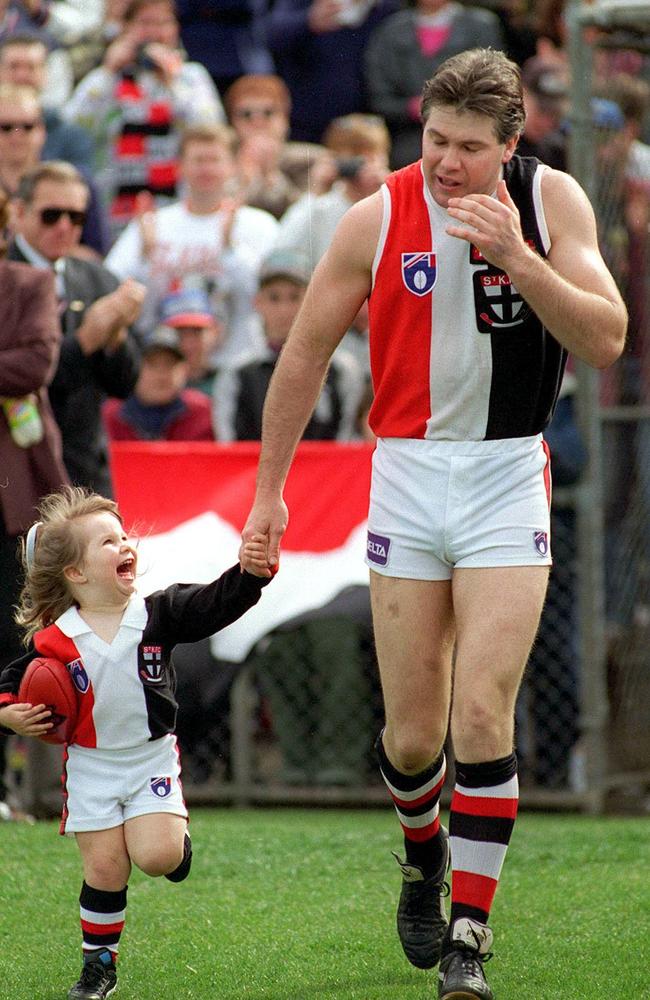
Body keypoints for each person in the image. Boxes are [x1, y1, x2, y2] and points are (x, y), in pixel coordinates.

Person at [240, 48, 627, 1000]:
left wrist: (517, 258)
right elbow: (303, 357)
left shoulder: (552, 204)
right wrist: (268, 492)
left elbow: (607, 337)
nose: (444, 163)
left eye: (466, 147)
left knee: (482, 712)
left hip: (506, 475)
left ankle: (469, 941)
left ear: (509, 143)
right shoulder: (377, 216)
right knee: (413, 740)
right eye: (433, 139)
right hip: (406, 477)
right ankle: (423, 855)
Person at [0, 485, 273, 999]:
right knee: (105, 867)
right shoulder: (53, 641)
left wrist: (251, 574)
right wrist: (9, 715)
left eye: (124, 535)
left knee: (156, 858)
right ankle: (98, 969)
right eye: (107, 541)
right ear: (76, 574)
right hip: (91, 768)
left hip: (150, 759)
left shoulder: (157, 614)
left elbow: (213, 604)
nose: (125, 544)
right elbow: (9, 686)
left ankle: (177, 847)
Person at [8, 161, 144, 497]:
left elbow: (126, 384)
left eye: (77, 217)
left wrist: (115, 336)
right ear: (20, 212)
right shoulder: (5, 278)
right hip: (16, 467)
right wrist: (85, 340)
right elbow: (23, 374)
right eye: (51, 215)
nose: (64, 227)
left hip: (85, 467)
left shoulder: (96, 278)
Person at [0, 187, 69, 821]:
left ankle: (7, 788)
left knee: (11, 636)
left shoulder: (28, 281)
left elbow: (34, 363)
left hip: (13, 494)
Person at [106, 122, 277, 366]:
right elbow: (114, 291)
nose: (206, 169)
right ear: (180, 167)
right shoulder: (151, 224)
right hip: (162, 365)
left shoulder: (259, 225)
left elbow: (271, 300)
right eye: (198, 160)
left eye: (214, 160)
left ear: (232, 166)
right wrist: (145, 258)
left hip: (238, 364)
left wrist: (231, 251)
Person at [62, 0, 225, 238]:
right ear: (126, 28)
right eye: (145, 23)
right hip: (117, 207)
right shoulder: (108, 79)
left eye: (163, 22)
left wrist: (173, 82)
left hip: (174, 206)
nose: (155, 32)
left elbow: (210, 130)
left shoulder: (191, 77)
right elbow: (73, 128)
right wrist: (108, 72)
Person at [213, 248, 364, 442]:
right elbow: (228, 448)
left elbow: (347, 443)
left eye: (294, 297)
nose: (284, 310)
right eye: (274, 298)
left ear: (313, 300)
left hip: (326, 472)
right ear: (258, 302)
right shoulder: (238, 373)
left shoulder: (341, 369)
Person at [363, 0, 505, 169]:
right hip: (405, 140)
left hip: (469, 131)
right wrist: (411, 107)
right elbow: (379, 95)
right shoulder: (391, 30)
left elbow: (494, 83)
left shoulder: (481, 25)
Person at [0, 82, 109, 258]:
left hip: (62, 281)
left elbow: (97, 256)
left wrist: (46, 241)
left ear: (42, 130)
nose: (16, 134)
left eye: (27, 126)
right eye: (6, 127)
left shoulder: (74, 184)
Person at [273, 113, 391, 272]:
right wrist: (316, 191)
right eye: (354, 157)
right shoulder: (320, 206)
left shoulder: (393, 201)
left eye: (369, 157)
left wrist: (389, 187)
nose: (362, 166)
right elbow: (282, 252)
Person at [103, 325, 215, 442]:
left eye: (169, 364)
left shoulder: (202, 412)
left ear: (184, 369)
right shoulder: (110, 415)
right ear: (135, 368)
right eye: (152, 365)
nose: (161, 375)